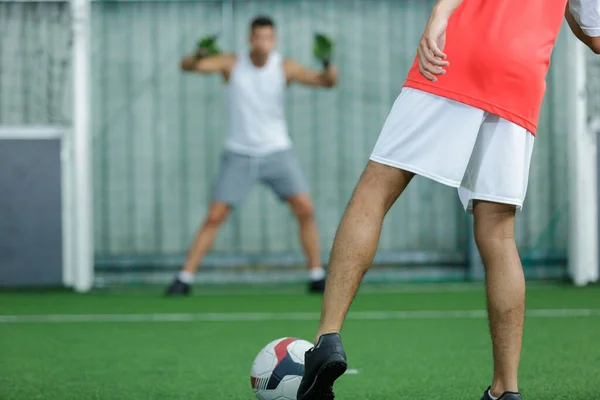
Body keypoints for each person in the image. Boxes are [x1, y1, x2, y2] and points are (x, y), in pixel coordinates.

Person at [297, 0, 600, 399]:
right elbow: (594, 35)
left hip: (457, 55)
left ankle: (326, 338)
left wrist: (440, 14)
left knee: (376, 190)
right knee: (499, 234)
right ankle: (505, 389)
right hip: (522, 75)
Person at [165, 16, 338, 296]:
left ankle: (317, 275)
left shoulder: (285, 67)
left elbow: (327, 82)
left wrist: (328, 61)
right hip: (239, 154)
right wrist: (199, 53)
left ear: (275, 40)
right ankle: (185, 278)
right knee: (214, 216)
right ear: (250, 39)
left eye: (268, 38)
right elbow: (188, 67)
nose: (263, 43)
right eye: (258, 37)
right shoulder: (231, 63)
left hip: (277, 152)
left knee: (305, 209)